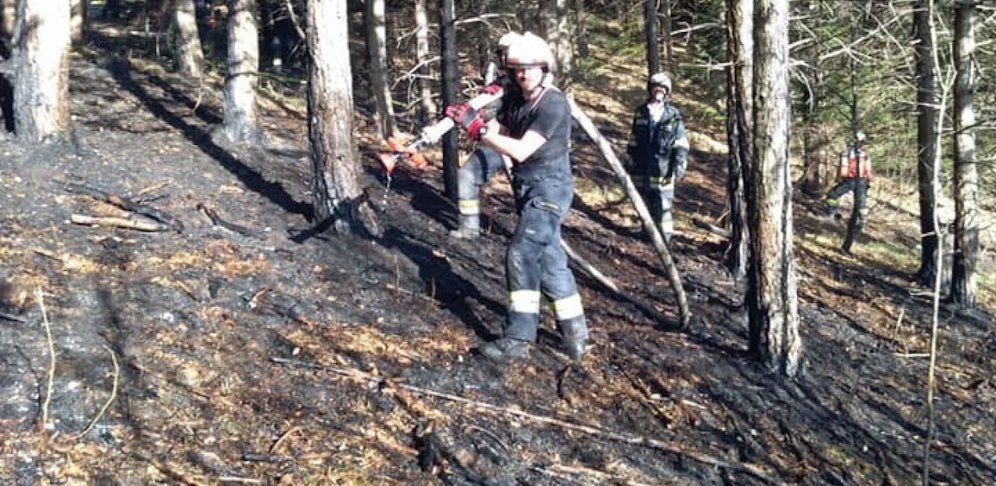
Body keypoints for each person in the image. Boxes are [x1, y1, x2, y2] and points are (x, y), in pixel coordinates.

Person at [445, 32, 588, 363]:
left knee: (522, 252)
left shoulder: (553, 104)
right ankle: (576, 334)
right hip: (528, 189)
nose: (524, 74)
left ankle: (518, 339)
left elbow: (522, 150)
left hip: (549, 189)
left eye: (530, 68)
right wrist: (473, 116)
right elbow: (499, 131)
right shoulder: (515, 99)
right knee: (550, 262)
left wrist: (477, 129)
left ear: (544, 68)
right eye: (517, 69)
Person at [449, 31, 521, 239]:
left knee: (530, 194)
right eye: (501, 53)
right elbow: (488, 113)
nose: (503, 58)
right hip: (496, 142)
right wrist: (477, 112)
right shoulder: (500, 85)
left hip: (525, 146)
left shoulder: (530, 85)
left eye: (506, 53)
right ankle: (469, 227)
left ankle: (533, 239)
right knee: (467, 174)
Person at [624, 72, 690, 242]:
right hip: (641, 166)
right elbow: (634, 138)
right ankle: (646, 233)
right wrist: (629, 157)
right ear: (650, 89)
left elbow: (681, 142)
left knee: (663, 203)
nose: (659, 90)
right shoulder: (641, 112)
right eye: (656, 87)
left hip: (663, 169)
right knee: (643, 200)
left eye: (662, 88)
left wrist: (680, 163)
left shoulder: (673, 115)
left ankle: (664, 238)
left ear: (667, 91)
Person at [825, 130, 872, 228]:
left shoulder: (852, 152)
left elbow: (844, 166)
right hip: (858, 180)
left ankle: (832, 215)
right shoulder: (863, 153)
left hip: (853, 180)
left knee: (833, 195)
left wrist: (839, 177)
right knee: (860, 203)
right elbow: (867, 169)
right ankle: (860, 221)